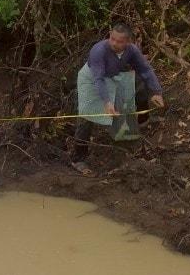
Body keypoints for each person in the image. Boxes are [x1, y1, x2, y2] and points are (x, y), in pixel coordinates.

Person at [71, 21, 166, 172]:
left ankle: (140, 126)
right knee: (86, 117)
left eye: (119, 41)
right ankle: (78, 159)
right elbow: (98, 79)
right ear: (110, 35)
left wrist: (156, 92)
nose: (114, 43)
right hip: (92, 80)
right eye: (112, 39)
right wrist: (107, 102)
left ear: (128, 42)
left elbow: (145, 69)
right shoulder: (99, 51)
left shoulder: (132, 51)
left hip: (113, 77)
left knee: (138, 86)